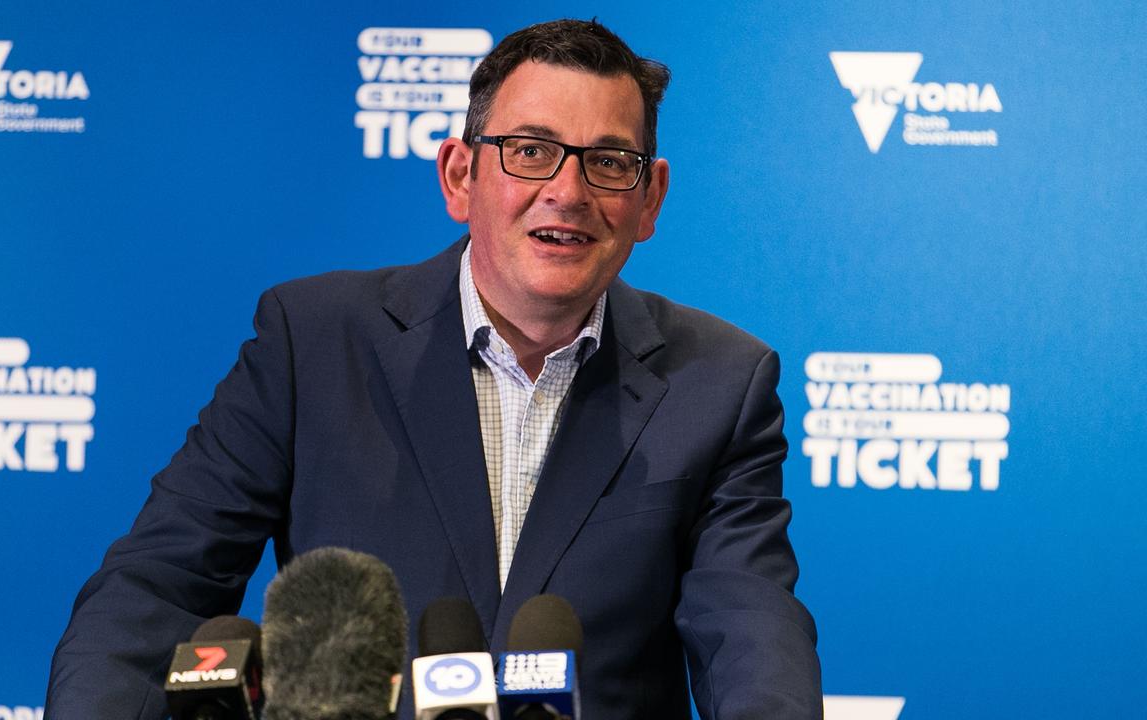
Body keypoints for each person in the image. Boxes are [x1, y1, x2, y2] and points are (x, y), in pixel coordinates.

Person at [46, 18, 821, 719]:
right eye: (530, 151)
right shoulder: (311, 341)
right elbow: (154, 592)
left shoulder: (721, 381)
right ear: (459, 176)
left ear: (649, 199)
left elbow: (750, 634)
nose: (568, 191)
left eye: (609, 162)